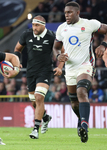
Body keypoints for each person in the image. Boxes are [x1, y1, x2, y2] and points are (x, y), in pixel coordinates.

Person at [53, 1, 107, 143]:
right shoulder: (61, 29)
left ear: (77, 12)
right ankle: (80, 120)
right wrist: (58, 55)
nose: (66, 15)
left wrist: (103, 44)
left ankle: (84, 124)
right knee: (74, 102)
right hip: (69, 68)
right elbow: (56, 46)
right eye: (65, 13)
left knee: (81, 91)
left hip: (85, 64)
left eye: (69, 12)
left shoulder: (90, 24)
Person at [14, 15, 54, 139]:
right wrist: (17, 61)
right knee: (35, 102)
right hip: (31, 72)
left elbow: (60, 50)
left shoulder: (51, 36)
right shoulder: (27, 34)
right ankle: (46, 117)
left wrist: (60, 63)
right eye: (33, 25)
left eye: (36, 25)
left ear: (43, 25)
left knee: (38, 97)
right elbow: (17, 49)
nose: (34, 27)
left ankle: (36, 128)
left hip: (45, 71)